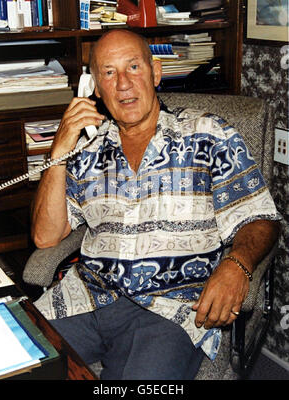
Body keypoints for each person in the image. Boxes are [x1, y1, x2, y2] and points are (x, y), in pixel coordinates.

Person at [32, 29, 280, 380]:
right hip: (84, 299)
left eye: (133, 67)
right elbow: (45, 237)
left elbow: (261, 218)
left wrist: (236, 265)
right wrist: (58, 152)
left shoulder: (207, 133)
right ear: (94, 90)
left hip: (169, 311)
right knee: (11, 360)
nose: (122, 84)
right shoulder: (85, 150)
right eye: (108, 73)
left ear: (156, 72)